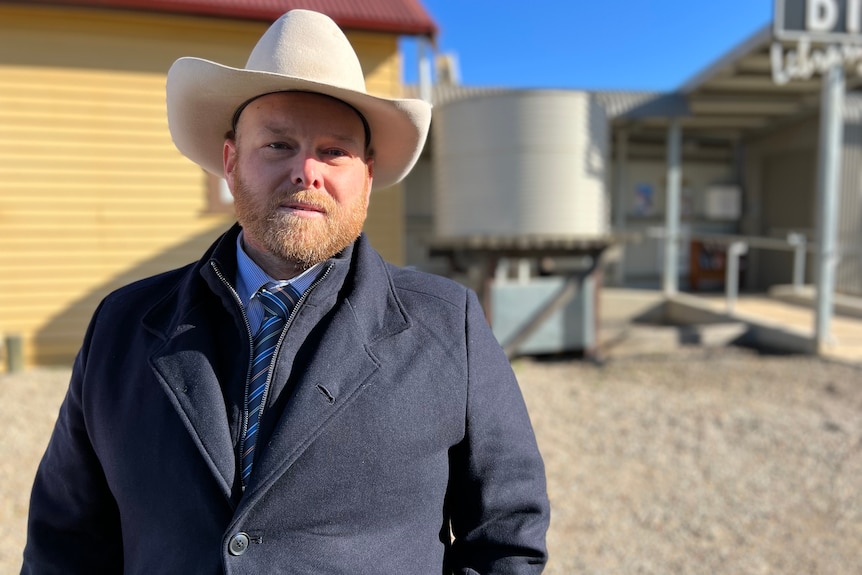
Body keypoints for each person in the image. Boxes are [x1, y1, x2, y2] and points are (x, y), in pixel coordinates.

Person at [22, 9, 549, 574]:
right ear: (230, 161)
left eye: (335, 150)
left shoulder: (448, 326)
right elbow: (64, 542)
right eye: (278, 144)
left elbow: (506, 535)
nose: (307, 171)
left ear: (367, 176)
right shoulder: (121, 326)